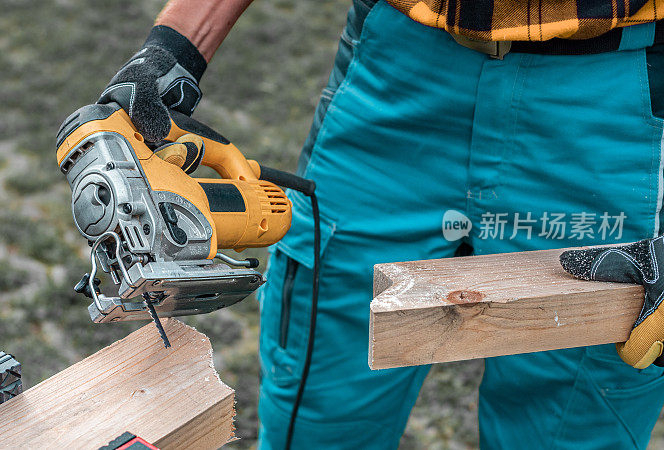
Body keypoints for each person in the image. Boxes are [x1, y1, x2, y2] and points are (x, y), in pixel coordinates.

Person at [97, 0, 664, 447]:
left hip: (616, 95)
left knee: (574, 424)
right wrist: (171, 52)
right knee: (324, 409)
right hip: (401, 69)